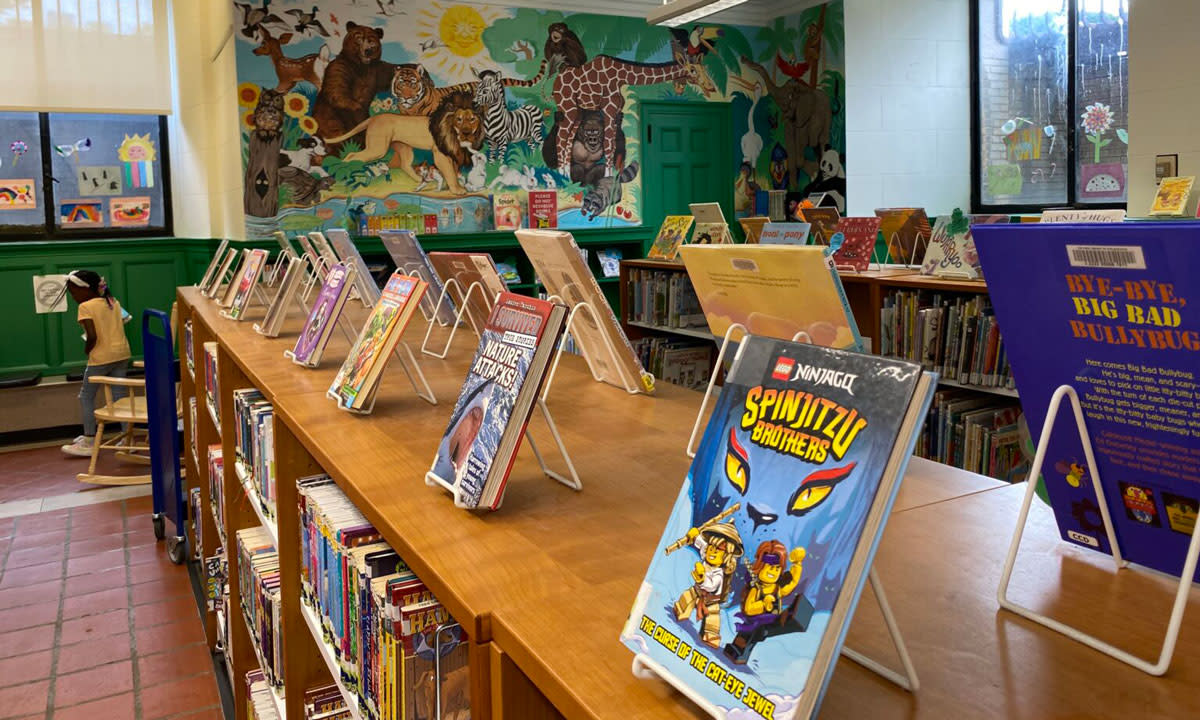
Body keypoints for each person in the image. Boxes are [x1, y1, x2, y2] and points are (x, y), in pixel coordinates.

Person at [61, 270, 132, 457]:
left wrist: (88, 349)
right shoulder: (112, 301)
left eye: (74, 292)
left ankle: (90, 439)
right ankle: (127, 438)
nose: (74, 297)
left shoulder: (85, 307)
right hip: (122, 353)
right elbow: (124, 320)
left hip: (100, 357)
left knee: (86, 396)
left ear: (86, 289)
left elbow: (92, 335)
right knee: (120, 397)